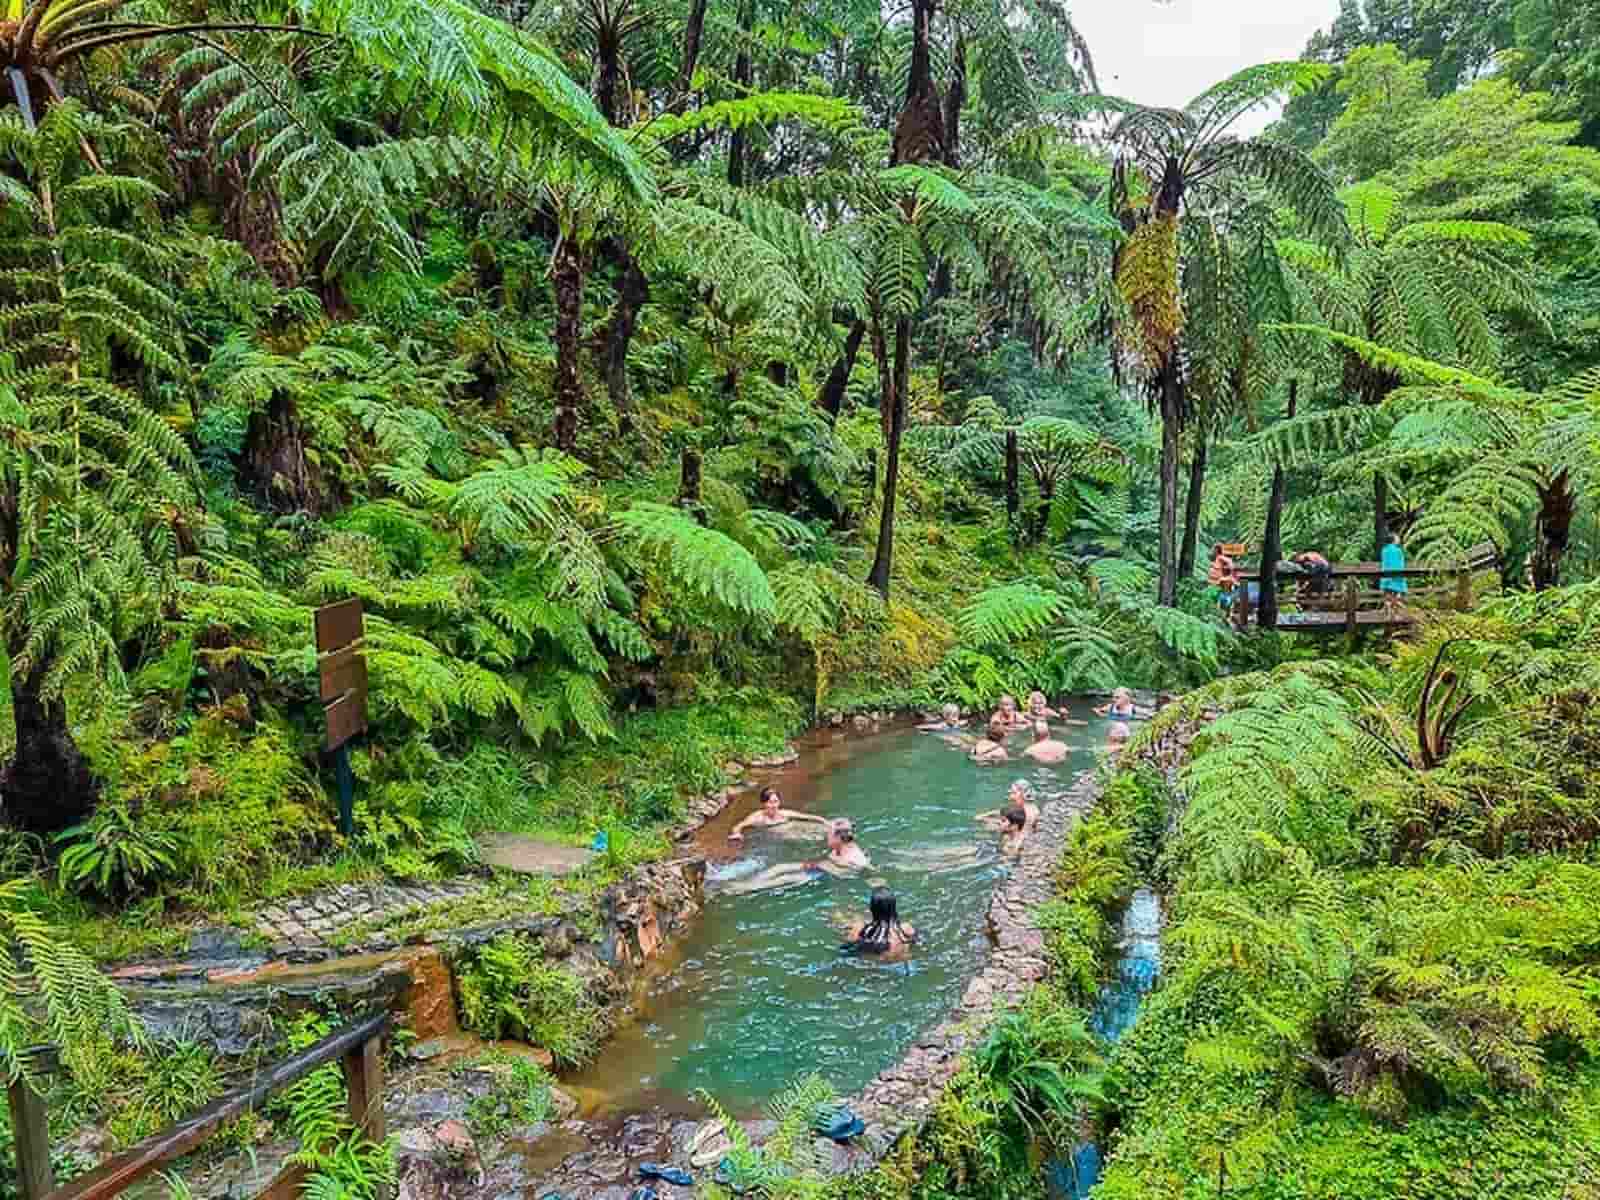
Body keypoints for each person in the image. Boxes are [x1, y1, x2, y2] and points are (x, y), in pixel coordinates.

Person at [723, 819, 871, 893]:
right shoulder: (839, 847)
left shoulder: (855, 858)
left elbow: (864, 870)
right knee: (780, 867)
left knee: (784, 879)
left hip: (823, 876)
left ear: (839, 838)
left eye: (829, 836)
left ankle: (740, 887)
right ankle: (750, 881)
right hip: (819, 868)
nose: (827, 838)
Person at [729, 786, 831, 841]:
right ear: (764, 803)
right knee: (811, 838)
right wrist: (737, 833)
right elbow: (739, 825)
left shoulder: (784, 813)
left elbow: (807, 817)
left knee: (820, 829)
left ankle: (835, 831)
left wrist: (825, 821)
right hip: (780, 834)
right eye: (770, 802)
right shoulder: (758, 817)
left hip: (792, 826)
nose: (774, 806)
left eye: (776, 801)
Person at [842, 887, 917, 958]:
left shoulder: (861, 930)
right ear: (893, 907)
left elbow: (847, 945)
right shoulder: (906, 929)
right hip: (899, 959)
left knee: (850, 920)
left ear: (872, 908)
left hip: (871, 960)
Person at [1381, 534, 1407, 611]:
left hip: (1386, 576)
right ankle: (1395, 613)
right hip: (1397, 576)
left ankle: (1388, 612)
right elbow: (1401, 563)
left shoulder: (1384, 550)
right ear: (1393, 540)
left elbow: (1385, 563)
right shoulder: (1398, 550)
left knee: (1388, 596)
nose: (1399, 540)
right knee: (1396, 596)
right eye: (1397, 539)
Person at [1207, 544, 1238, 611]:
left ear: (1217, 550)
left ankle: (1220, 609)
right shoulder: (1216, 559)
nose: (1212, 551)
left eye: (1214, 550)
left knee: (1219, 596)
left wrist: (1229, 574)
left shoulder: (1220, 557)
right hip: (1213, 581)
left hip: (1218, 581)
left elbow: (1230, 563)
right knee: (1214, 596)